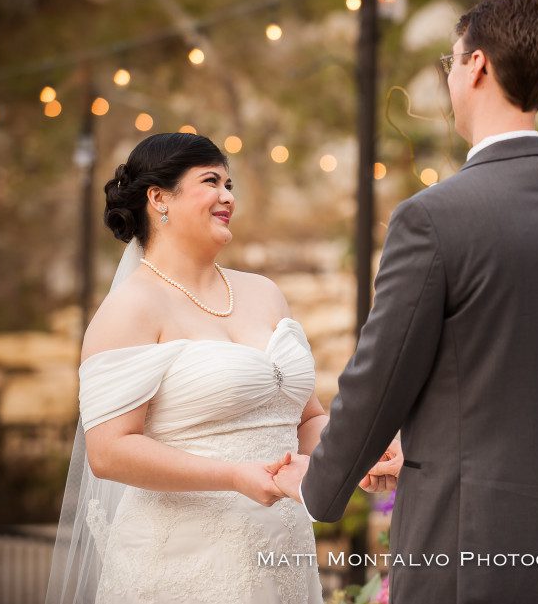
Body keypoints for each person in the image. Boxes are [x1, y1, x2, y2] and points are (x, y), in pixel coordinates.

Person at [269, 0, 538, 604]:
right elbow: (522, 365)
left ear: (477, 66)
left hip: (470, 548)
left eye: (451, 62)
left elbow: (379, 378)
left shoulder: (434, 218)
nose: (449, 79)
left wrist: (319, 484)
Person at [45, 132, 397, 603]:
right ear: (159, 198)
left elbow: (306, 418)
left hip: (282, 550)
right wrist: (233, 475)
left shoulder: (264, 293)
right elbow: (109, 452)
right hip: (182, 562)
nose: (228, 196)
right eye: (211, 182)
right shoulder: (129, 309)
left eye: (229, 185)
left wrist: (360, 455)